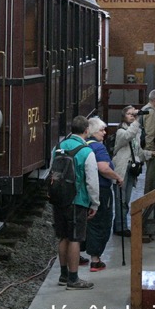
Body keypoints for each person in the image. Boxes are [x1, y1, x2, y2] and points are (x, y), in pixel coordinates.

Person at [52, 115, 99, 290]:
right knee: (75, 238)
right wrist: (95, 203)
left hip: (59, 199)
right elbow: (92, 182)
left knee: (63, 236)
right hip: (77, 200)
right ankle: (73, 279)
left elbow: (52, 172)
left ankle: (63, 275)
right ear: (87, 131)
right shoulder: (87, 151)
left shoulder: (58, 147)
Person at [84, 117, 122, 272]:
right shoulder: (99, 148)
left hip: (84, 190)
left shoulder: (82, 146)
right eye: (101, 130)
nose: (104, 133)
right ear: (93, 131)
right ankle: (95, 259)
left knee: (87, 222)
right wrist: (118, 177)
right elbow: (103, 168)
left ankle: (79, 255)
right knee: (101, 222)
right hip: (101, 190)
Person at [111, 106, 154, 235]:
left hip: (131, 169)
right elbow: (128, 135)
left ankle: (121, 224)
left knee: (126, 199)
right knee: (120, 199)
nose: (132, 116)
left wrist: (152, 154)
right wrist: (137, 119)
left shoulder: (137, 132)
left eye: (133, 113)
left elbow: (138, 151)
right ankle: (120, 227)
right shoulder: (121, 132)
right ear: (123, 117)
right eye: (129, 114)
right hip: (122, 169)